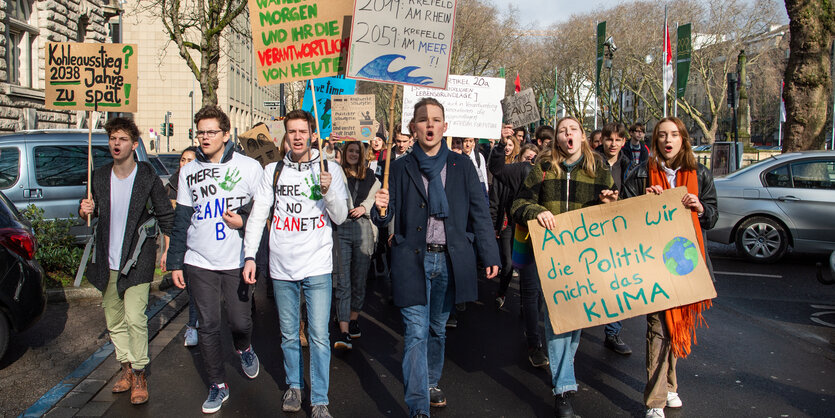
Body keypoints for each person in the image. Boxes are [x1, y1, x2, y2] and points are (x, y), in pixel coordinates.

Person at [372, 98, 500, 417]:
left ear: (445, 126)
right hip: (411, 260)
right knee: (415, 331)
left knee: (436, 330)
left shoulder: (462, 165)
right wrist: (381, 208)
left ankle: (431, 382)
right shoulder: (399, 167)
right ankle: (418, 407)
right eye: (423, 119)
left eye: (436, 119)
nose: (430, 124)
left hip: (449, 262)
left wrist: (489, 253)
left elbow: (480, 213)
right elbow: (383, 220)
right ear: (413, 128)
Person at [242, 109, 348, 418]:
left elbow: (340, 216)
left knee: (318, 335)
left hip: (317, 265)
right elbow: (259, 214)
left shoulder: (330, 169)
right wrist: (250, 255)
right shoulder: (273, 171)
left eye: (303, 131)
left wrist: (327, 192)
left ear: (313, 134)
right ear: (286, 136)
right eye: (292, 132)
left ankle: (319, 400)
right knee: (288, 334)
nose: (298, 137)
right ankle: (293, 386)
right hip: (281, 267)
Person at [511, 116, 619, 418]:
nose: (567, 134)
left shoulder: (598, 168)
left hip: (586, 259)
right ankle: (563, 390)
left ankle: (563, 374)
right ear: (557, 138)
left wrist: (610, 201)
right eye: (562, 131)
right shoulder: (543, 168)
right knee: (558, 320)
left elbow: (613, 208)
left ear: (582, 135)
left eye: (573, 130)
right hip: (553, 260)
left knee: (575, 321)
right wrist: (538, 210)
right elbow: (518, 205)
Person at [166, 106, 264, 414]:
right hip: (199, 259)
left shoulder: (249, 167)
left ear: (225, 134)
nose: (205, 137)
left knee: (240, 321)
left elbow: (263, 211)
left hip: (236, 259)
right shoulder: (189, 170)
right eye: (201, 132)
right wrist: (175, 261)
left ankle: (244, 347)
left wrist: (243, 221)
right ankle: (218, 385)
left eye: (211, 132)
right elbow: (181, 218)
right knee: (208, 325)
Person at [621, 117, 717, 418]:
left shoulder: (699, 173)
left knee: (678, 324)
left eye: (674, 134)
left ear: (683, 139)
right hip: (653, 264)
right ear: (655, 140)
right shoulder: (640, 174)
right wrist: (641, 203)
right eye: (662, 135)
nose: (667, 140)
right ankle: (655, 401)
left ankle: (670, 385)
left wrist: (700, 208)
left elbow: (713, 215)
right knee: (658, 328)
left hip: (687, 263)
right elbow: (622, 216)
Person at [78, 117, 174, 405]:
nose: (115, 144)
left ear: (134, 144)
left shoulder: (146, 175)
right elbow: (87, 215)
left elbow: (165, 214)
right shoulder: (98, 175)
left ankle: (140, 372)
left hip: (137, 259)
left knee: (135, 318)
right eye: (112, 139)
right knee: (114, 319)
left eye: (121, 139)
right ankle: (126, 368)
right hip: (106, 260)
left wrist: (168, 249)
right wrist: (84, 209)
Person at [333, 141, 381, 350]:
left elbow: (375, 198)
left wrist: (364, 207)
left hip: (363, 229)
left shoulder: (371, 177)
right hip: (341, 229)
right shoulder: (336, 173)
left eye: (356, 151)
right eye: (350, 151)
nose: (353, 154)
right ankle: (343, 331)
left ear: (362, 155)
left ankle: (353, 319)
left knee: (359, 280)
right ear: (344, 153)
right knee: (343, 281)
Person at [593, 122, 634, 355]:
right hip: (591, 229)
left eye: (618, 140)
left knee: (619, 283)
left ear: (623, 142)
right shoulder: (590, 162)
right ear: (603, 140)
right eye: (610, 139)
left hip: (619, 230)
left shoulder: (630, 166)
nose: (613, 144)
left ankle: (613, 332)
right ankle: (573, 330)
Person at [160, 146, 200, 347]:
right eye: (183, 159)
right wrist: (169, 251)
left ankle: (193, 325)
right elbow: (170, 223)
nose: (185, 163)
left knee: (194, 289)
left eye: (190, 160)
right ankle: (196, 321)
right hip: (180, 242)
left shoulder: (202, 182)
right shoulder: (172, 185)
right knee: (191, 289)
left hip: (197, 244)